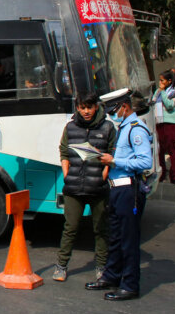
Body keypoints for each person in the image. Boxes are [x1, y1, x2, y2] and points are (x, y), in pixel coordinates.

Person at [85, 88, 152, 301]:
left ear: (124, 106)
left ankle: (130, 285)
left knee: (128, 240)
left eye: (114, 110)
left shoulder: (136, 129)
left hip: (128, 189)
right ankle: (111, 276)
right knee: (114, 236)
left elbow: (145, 162)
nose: (111, 114)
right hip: (116, 188)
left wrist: (114, 161)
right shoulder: (123, 127)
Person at [53, 92, 115, 283]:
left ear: (96, 106)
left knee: (100, 229)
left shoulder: (108, 127)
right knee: (70, 228)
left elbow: (112, 152)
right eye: (82, 107)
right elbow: (63, 151)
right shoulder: (71, 127)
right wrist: (66, 174)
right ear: (77, 108)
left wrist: (104, 174)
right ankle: (61, 266)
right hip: (74, 188)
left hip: (98, 187)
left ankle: (101, 267)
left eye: (89, 107)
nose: (86, 111)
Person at [150, 70, 175, 185]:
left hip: (171, 123)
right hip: (159, 123)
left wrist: (163, 91)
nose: (160, 83)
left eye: (162, 80)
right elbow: (153, 102)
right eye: (159, 80)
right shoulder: (158, 91)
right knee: (159, 150)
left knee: (173, 150)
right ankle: (161, 174)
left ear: (169, 81)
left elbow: (169, 105)